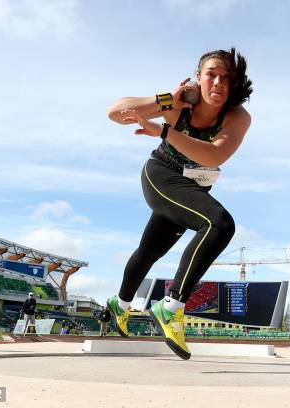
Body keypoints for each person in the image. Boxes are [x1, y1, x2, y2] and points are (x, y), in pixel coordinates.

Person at [105, 48, 252, 360]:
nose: (218, 83)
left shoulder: (237, 116)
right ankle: (171, 306)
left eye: (227, 78)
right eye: (211, 74)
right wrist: (164, 101)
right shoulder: (179, 102)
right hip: (161, 174)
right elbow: (115, 112)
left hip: (193, 185)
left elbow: (214, 155)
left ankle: (120, 303)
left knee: (150, 252)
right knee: (218, 223)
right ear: (198, 78)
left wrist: (163, 131)